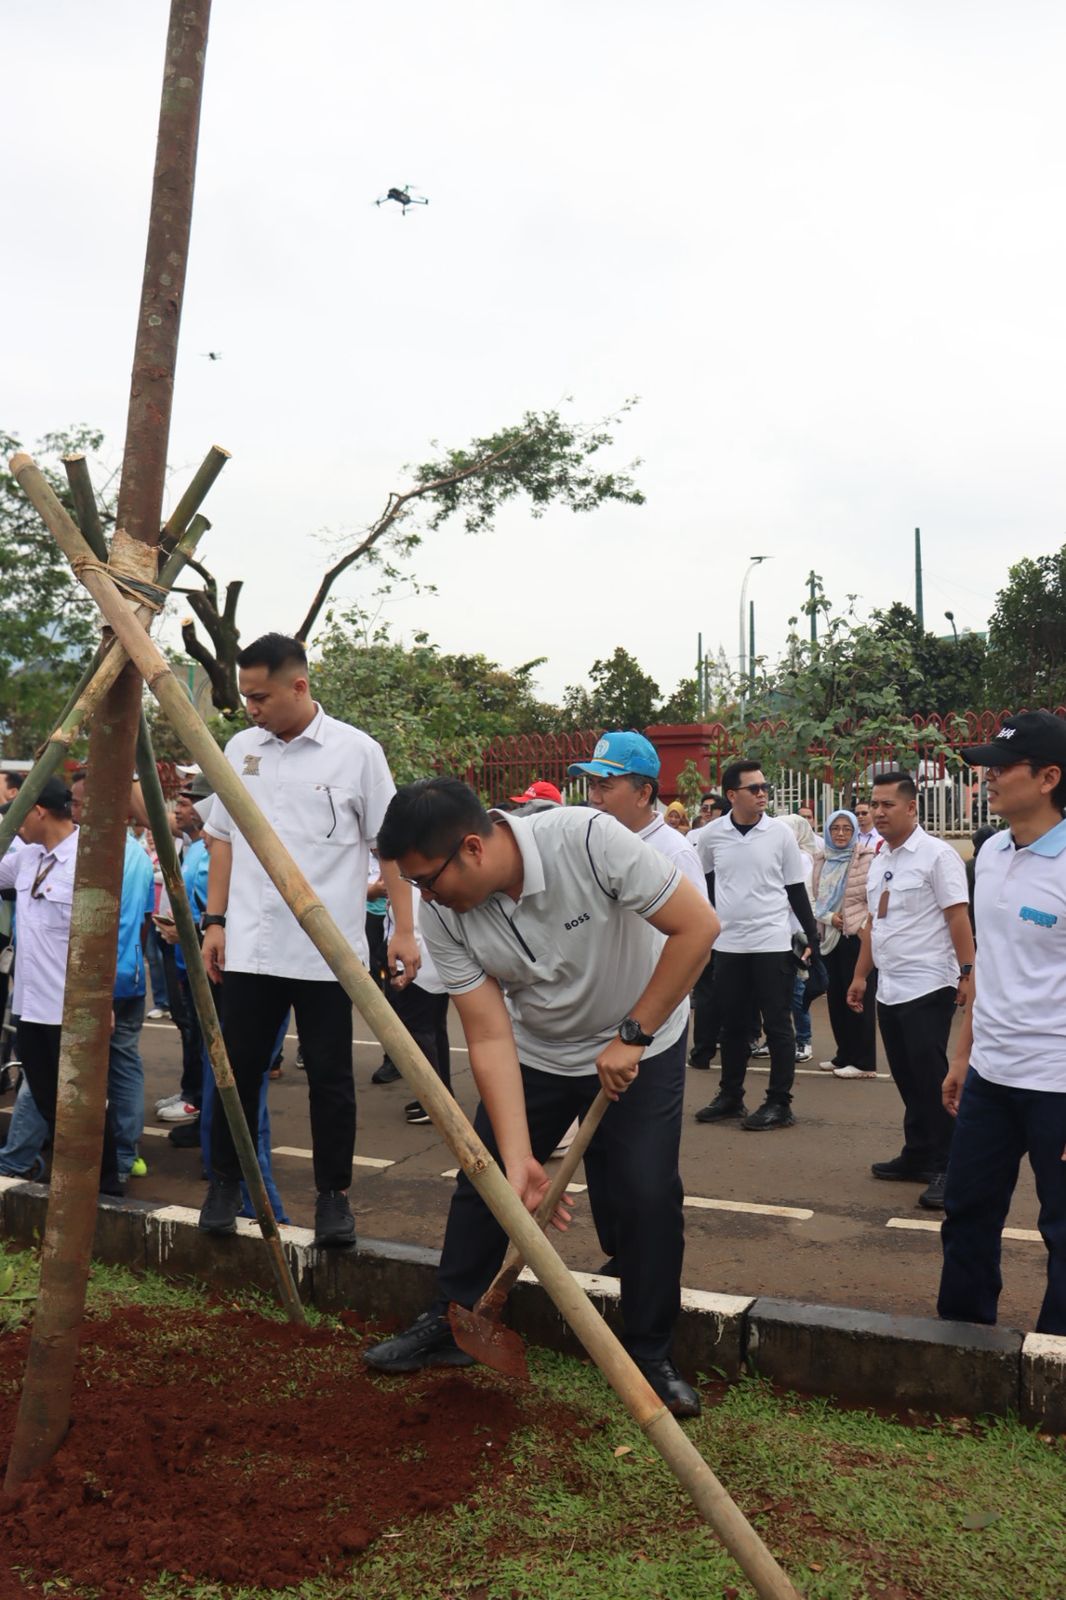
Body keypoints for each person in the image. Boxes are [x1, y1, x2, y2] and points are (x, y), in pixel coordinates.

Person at [363, 777, 718, 1417]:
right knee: (486, 1179)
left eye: (427, 880)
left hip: (642, 1035)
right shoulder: (446, 910)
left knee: (645, 1193)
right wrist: (521, 1157)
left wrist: (634, 1035)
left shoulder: (586, 840)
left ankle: (647, 1353)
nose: (423, 897)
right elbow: (490, 1032)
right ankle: (453, 1322)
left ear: (472, 848)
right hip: (538, 1049)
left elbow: (697, 927)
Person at [198, 632, 418, 1248]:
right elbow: (221, 837)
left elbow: (390, 847)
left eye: (261, 696)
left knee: (330, 1077)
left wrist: (404, 929)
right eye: (246, 697)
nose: (252, 709)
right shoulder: (241, 747)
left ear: (300, 686)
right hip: (249, 945)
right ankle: (223, 1182)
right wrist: (215, 922)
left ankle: (333, 1199)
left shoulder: (357, 754)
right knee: (236, 1071)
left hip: (328, 951)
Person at [937, 713, 1066, 1333]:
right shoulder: (989, 851)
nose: (987, 777)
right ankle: (963, 1342)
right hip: (991, 1073)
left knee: (1062, 1227)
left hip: (1057, 1083)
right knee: (966, 1211)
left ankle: (1053, 1363)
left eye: (1001, 767)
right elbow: (987, 960)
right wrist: (962, 1055)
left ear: (1048, 778)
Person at [846, 771, 973, 1211]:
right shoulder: (881, 857)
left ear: (911, 807)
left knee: (932, 1078)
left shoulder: (938, 856)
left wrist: (967, 972)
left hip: (927, 983)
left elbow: (958, 917)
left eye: (887, 805)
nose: (878, 812)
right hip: (891, 985)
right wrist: (862, 975)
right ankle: (919, 1152)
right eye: (874, 804)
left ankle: (952, 1164)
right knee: (905, 1076)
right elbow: (874, 923)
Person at [0, 776, 123, 1195]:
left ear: (37, 810)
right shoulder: (26, 858)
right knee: (52, 1105)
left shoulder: (90, 858)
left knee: (86, 1107)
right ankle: (68, 1185)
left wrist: (105, 1002)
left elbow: (107, 939)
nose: (13, 824)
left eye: (18, 814)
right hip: (31, 1008)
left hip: (73, 1010)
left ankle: (105, 1190)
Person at [690, 761, 819, 1129]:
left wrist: (812, 937)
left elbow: (796, 888)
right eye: (754, 788)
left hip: (772, 943)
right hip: (729, 945)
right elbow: (707, 886)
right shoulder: (711, 835)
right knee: (733, 1025)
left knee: (778, 1026)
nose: (763, 793)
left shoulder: (779, 834)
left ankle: (780, 1103)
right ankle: (731, 1096)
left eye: (765, 787)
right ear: (732, 795)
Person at [70, 770, 155, 1184]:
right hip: (130, 972)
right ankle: (124, 1153)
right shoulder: (135, 852)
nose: (74, 811)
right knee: (124, 1063)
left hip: (101, 976)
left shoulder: (99, 852)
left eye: (79, 803)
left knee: (100, 1063)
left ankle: (110, 1155)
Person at [568, 731, 707, 895]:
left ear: (643, 794)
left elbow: (696, 920)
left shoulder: (674, 854)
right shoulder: (591, 841)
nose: (594, 798)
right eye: (592, 785)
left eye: (605, 787)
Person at [813, 810, 879, 1078]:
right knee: (837, 999)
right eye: (836, 828)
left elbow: (872, 898)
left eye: (847, 829)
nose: (840, 834)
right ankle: (844, 1054)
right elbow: (815, 897)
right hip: (830, 935)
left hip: (857, 937)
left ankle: (864, 1062)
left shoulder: (866, 858)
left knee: (858, 998)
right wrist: (829, 917)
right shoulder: (822, 859)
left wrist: (861, 924)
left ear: (854, 833)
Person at [777, 813, 819, 1062]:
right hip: (781, 929)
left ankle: (804, 1040)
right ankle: (778, 1041)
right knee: (778, 990)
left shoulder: (802, 858)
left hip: (795, 932)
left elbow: (794, 894)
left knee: (796, 989)